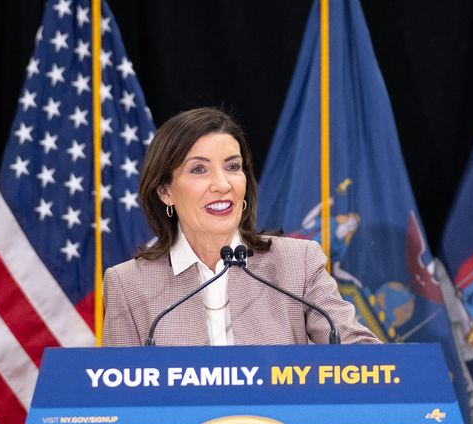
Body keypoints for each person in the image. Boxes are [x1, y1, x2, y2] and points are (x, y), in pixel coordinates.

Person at [102, 107, 380, 346]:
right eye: (199, 169)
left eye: (233, 167)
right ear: (165, 191)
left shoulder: (298, 262)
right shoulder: (128, 284)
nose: (223, 184)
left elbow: (363, 356)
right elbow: (117, 386)